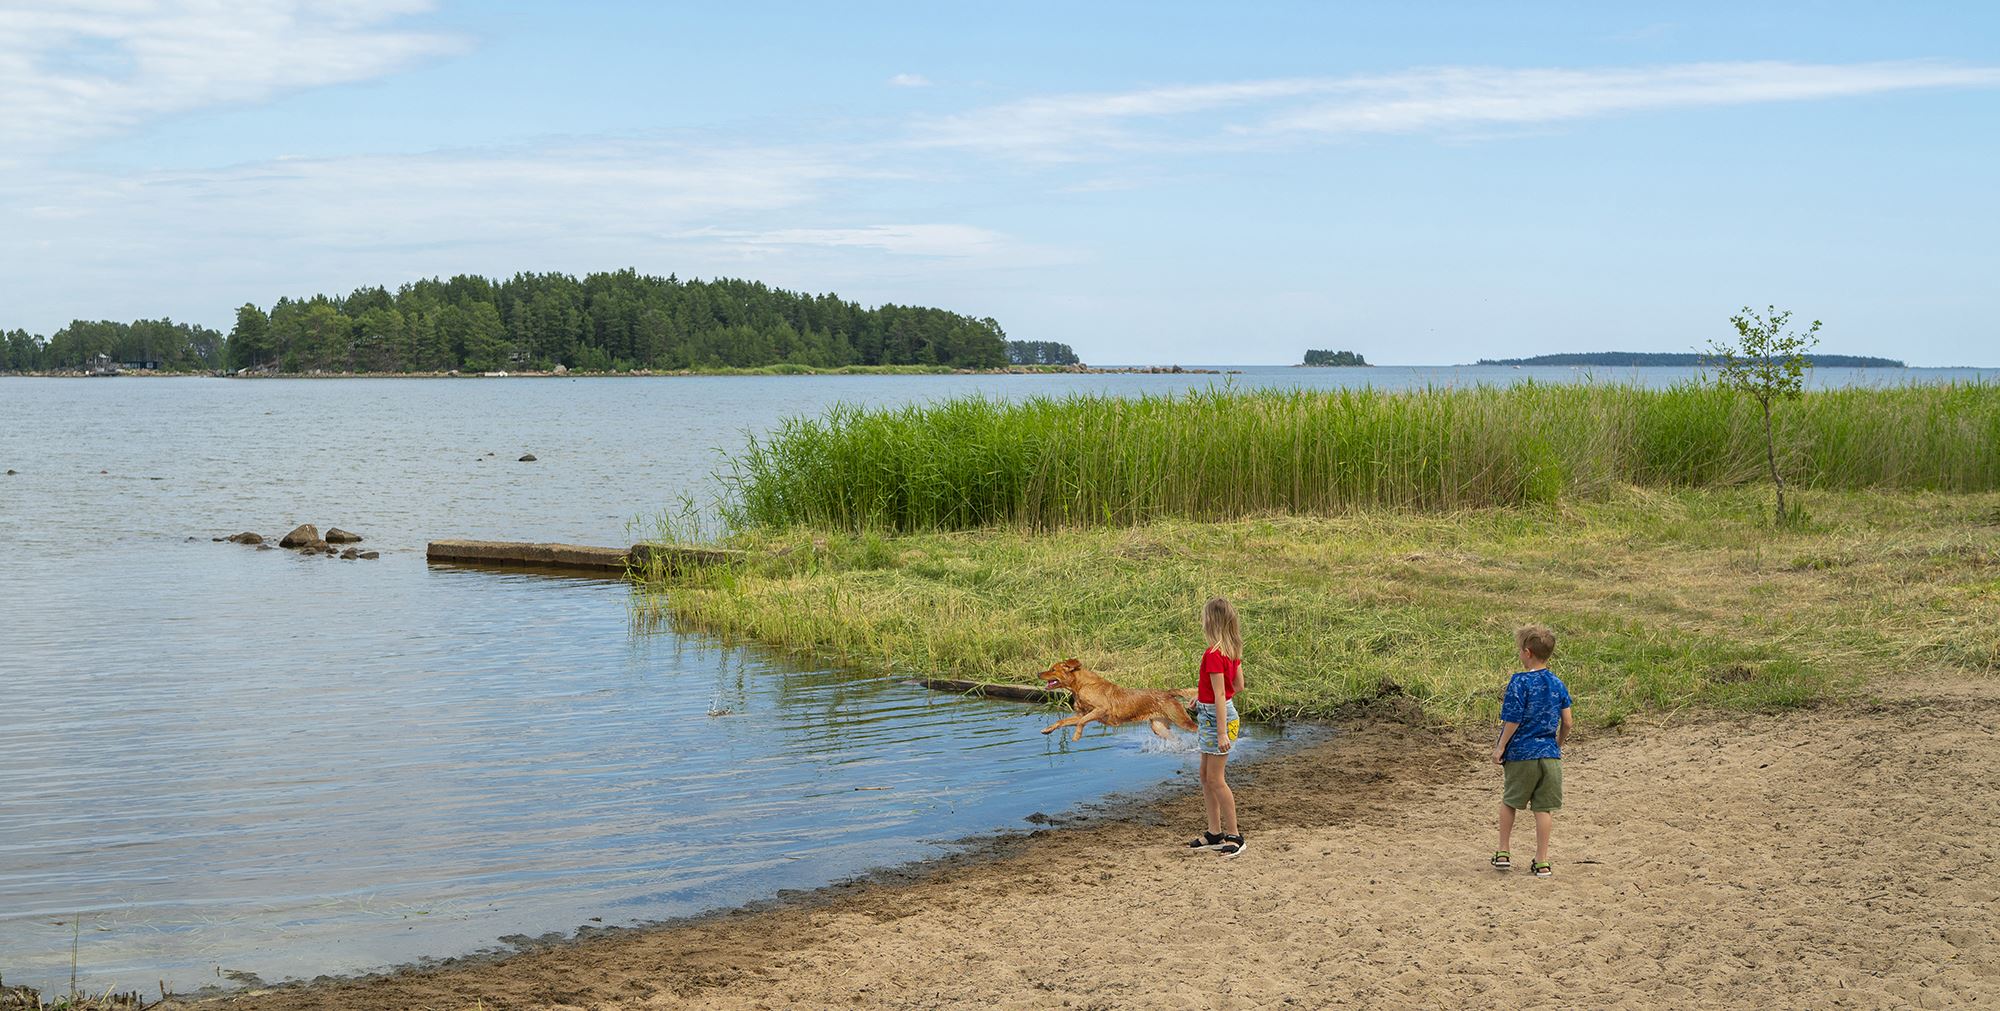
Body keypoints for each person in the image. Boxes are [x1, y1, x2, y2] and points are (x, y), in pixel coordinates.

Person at [1491, 624, 1572, 878]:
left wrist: (1500, 746)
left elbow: (1513, 719)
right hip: (1549, 756)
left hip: (1521, 754)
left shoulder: (1520, 682)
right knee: (1543, 809)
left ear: (1527, 652)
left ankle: (1503, 851)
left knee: (1510, 801)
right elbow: (1568, 721)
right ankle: (1542, 861)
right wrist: (1557, 744)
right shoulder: (1557, 683)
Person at [1186, 597, 1246, 857]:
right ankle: (1214, 832)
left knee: (1216, 779)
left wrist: (1221, 732)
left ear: (1210, 622)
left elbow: (1222, 695)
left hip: (1216, 719)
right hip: (1215, 714)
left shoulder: (1213, 654)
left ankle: (1235, 835)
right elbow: (1238, 687)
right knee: (1205, 776)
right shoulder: (1231, 651)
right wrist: (1202, 697)